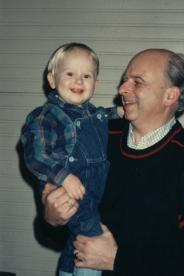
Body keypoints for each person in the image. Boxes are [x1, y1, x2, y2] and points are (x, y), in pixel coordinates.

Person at [42, 48, 184, 276]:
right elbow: (62, 237)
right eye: (125, 80)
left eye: (137, 82)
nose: (122, 89)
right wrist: (52, 218)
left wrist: (117, 259)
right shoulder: (96, 137)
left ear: (170, 96)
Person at [21, 42, 123, 276]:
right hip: (67, 186)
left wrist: (118, 112)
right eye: (70, 74)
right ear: (52, 79)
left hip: (93, 189)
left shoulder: (93, 113)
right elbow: (36, 156)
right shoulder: (44, 116)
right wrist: (64, 176)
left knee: (75, 242)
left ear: (95, 84)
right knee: (92, 237)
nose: (79, 81)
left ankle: (67, 271)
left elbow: (103, 115)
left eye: (87, 76)